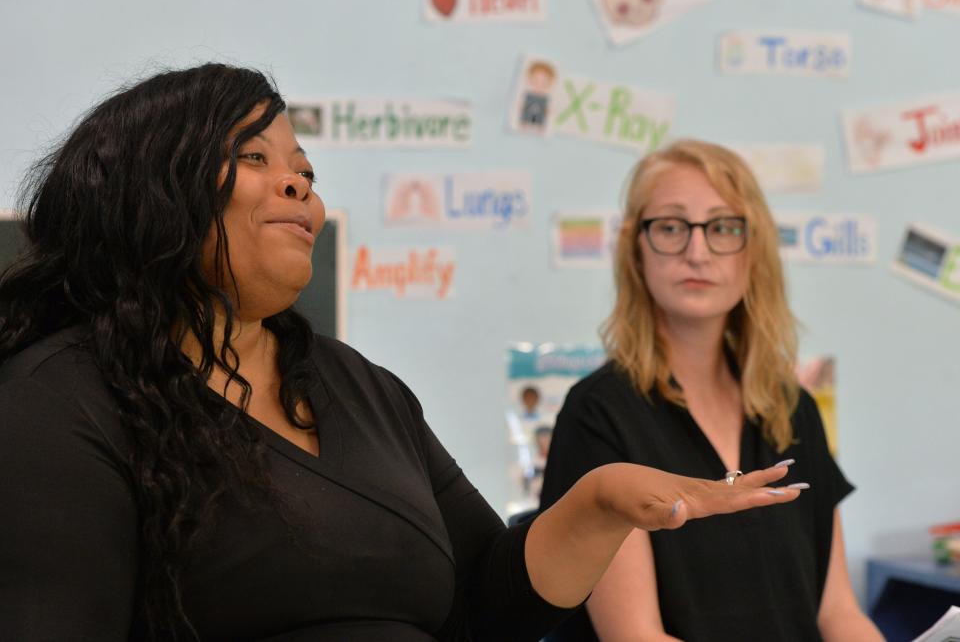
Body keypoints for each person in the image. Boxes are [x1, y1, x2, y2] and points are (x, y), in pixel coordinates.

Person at [0, 66, 803, 642]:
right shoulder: (61, 400)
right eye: (256, 159)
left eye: (305, 171)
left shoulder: (361, 387)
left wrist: (598, 500)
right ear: (147, 187)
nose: (300, 189)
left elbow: (489, 604)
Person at [539, 140, 883, 642]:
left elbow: (838, 616)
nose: (696, 251)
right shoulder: (599, 414)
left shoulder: (794, 408)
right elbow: (636, 636)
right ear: (637, 251)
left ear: (754, 252)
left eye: (723, 227)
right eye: (672, 227)